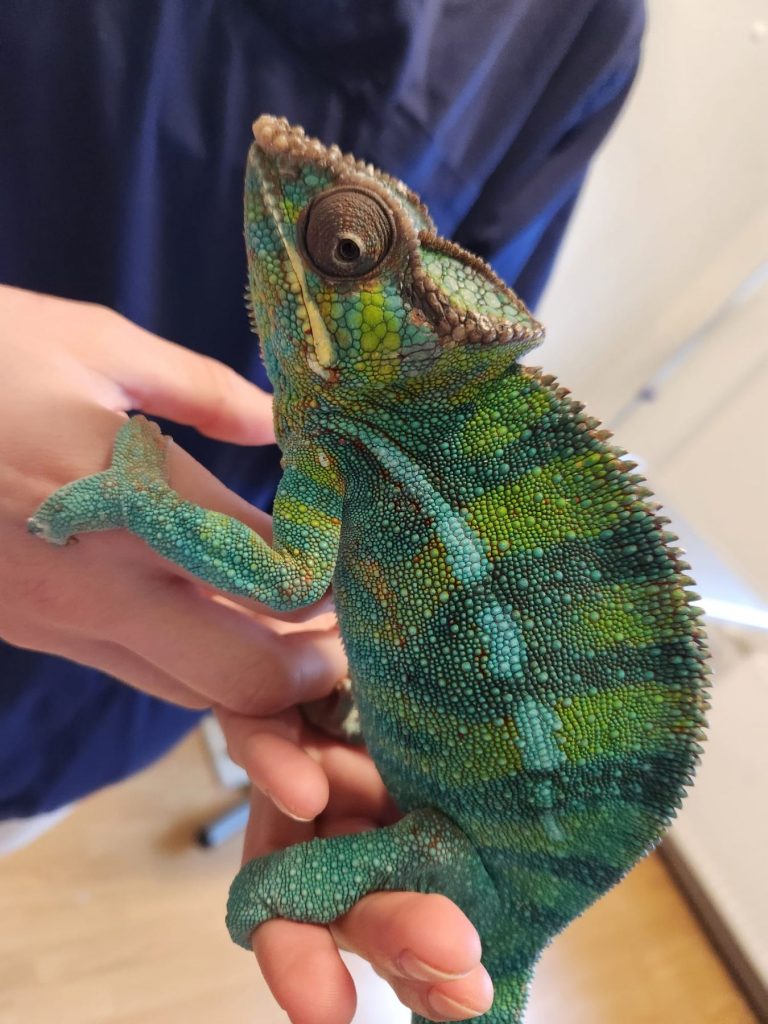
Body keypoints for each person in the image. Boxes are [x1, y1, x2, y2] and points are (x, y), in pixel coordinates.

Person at [0, 2, 645, 1021]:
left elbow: (293, 575)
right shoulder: (360, 427)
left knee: (283, 900)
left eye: (344, 245)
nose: (275, 172)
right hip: (172, 683)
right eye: (348, 241)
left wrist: (136, 499)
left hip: (402, 807)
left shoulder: (578, 27)